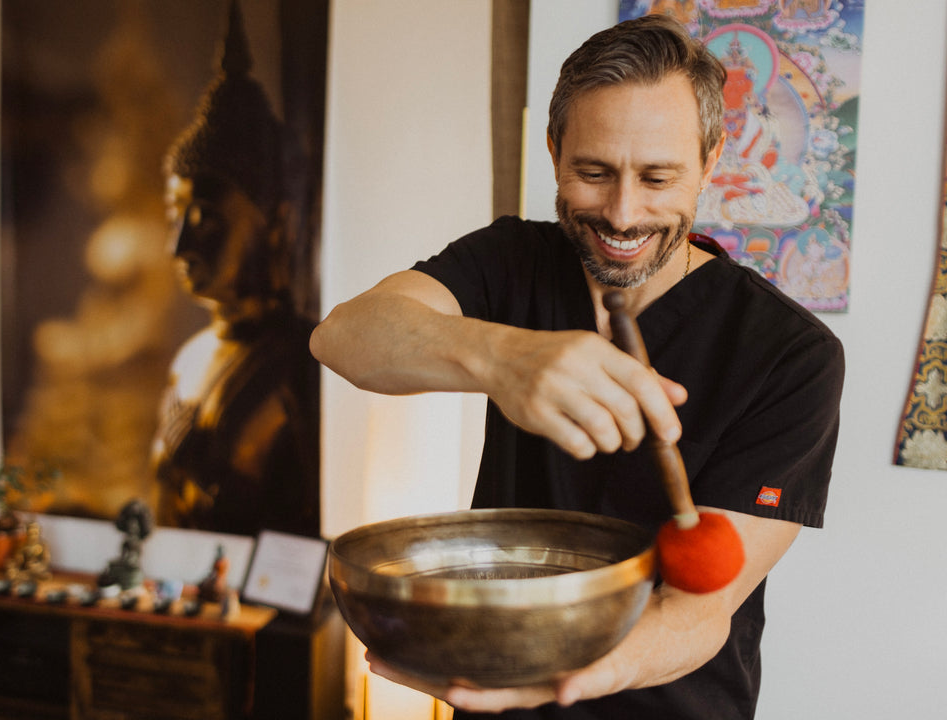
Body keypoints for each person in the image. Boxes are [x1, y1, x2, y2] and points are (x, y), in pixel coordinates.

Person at [310, 14, 843, 720]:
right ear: (556, 150)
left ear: (712, 160)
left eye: (658, 177)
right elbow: (343, 337)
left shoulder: (790, 355)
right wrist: (504, 357)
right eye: (593, 172)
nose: (623, 214)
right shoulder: (511, 263)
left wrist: (552, 683)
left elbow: (700, 611)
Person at [151, 1, 320, 538]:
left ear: (276, 223)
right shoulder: (192, 358)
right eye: (175, 217)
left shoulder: (301, 370)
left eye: (204, 221)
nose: (178, 246)